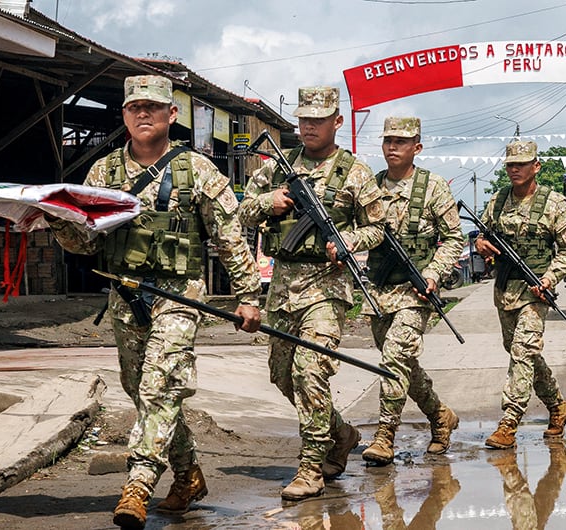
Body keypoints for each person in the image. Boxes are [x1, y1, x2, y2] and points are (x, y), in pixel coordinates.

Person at [46, 75, 263, 530]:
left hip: (179, 296)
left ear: (172, 114)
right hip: (124, 296)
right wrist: (54, 222)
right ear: (124, 115)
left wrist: (247, 297)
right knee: (142, 390)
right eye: (133, 107)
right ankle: (188, 474)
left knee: (158, 386)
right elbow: (86, 243)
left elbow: (229, 239)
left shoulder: (198, 171)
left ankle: (138, 484)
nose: (142, 114)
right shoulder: (103, 173)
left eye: (152, 106)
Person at [239, 86, 385, 501]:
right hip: (284, 288)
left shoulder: (354, 172)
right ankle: (341, 434)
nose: (309, 127)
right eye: (303, 120)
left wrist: (350, 240)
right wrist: (272, 201)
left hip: (328, 288)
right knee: (282, 376)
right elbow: (241, 209)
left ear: (336, 122)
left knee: (310, 372)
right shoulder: (278, 168)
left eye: (318, 120)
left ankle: (310, 469)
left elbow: (378, 228)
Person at [361, 116, 462, 465]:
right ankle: (439, 415)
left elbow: (452, 239)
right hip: (378, 292)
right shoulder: (370, 188)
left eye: (401, 142)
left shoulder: (432, 187)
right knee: (404, 364)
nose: (393, 147)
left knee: (393, 360)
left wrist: (433, 273)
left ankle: (385, 435)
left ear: (416, 147)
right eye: (388, 140)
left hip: (415, 293)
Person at [474, 140, 566, 449]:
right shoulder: (498, 200)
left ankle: (509, 422)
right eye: (510, 164)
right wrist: (480, 243)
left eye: (521, 163)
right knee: (521, 352)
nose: (515, 168)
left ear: (537, 166)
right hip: (506, 289)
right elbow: (482, 233)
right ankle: (558, 406)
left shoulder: (554, 203)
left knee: (523, 351)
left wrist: (550, 278)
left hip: (536, 292)